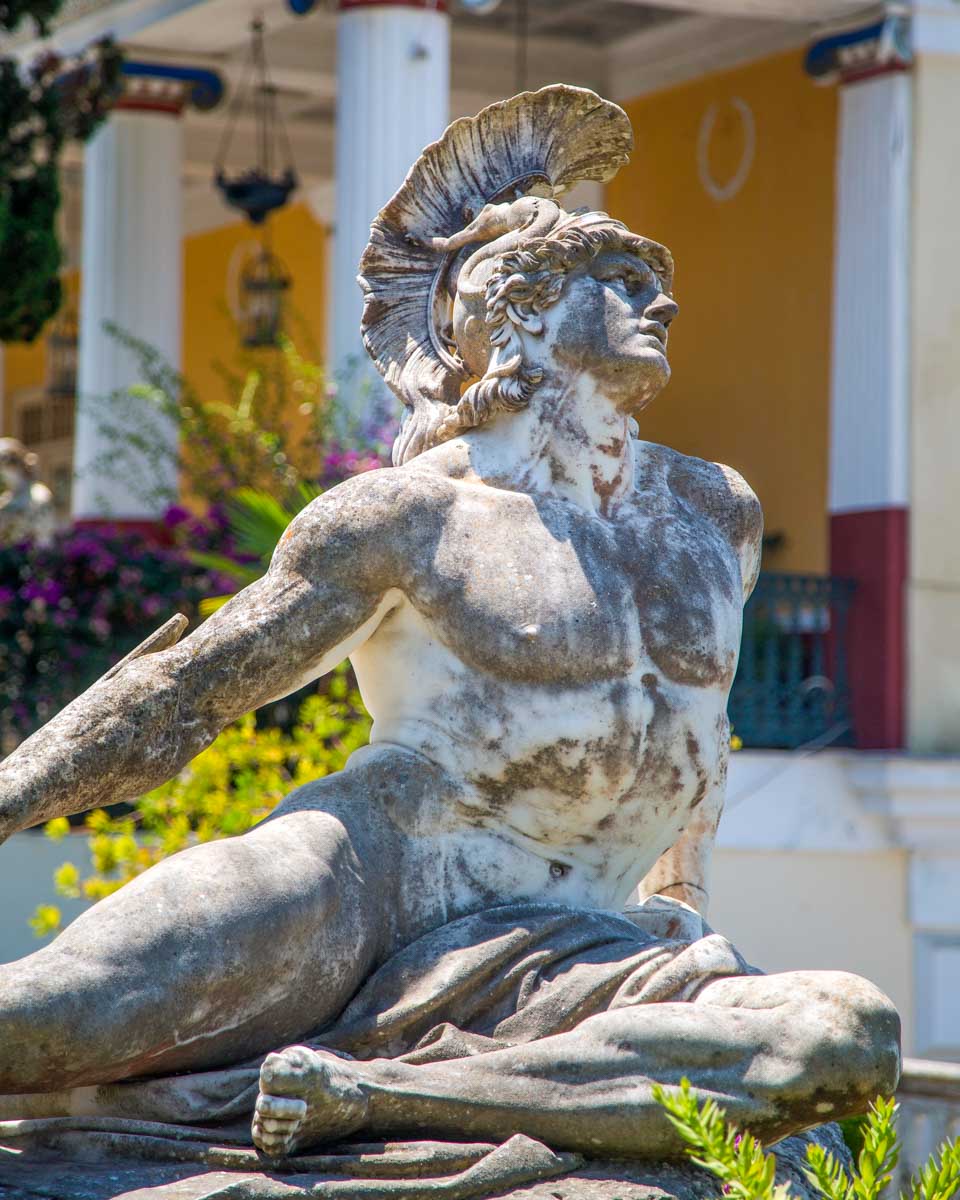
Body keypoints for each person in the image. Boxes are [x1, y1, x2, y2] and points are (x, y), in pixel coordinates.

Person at [0, 86, 898, 1161]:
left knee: (846, 1034)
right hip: (363, 887)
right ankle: (377, 1085)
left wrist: (682, 905)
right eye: (617, 278)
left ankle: (378, 1098)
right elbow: (196, 691)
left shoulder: (717, 511)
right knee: (51, 1021)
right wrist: (11, 797)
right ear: (518, 308)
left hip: (590, 941)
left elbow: (685, 737)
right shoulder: (413, 518)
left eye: (657, 280)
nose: (658, 302)